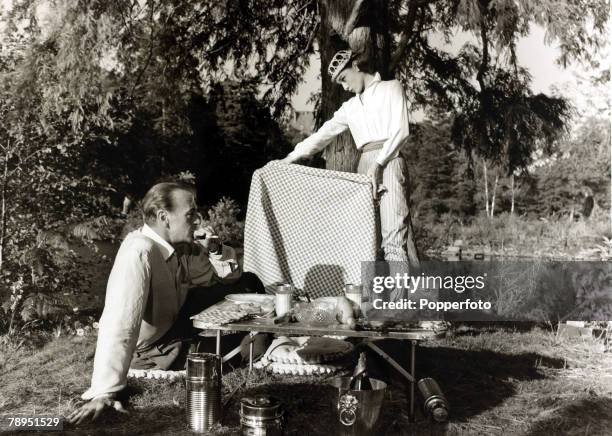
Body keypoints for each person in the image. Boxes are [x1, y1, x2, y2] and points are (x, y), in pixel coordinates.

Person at [67, 182, 262, 425]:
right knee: (250, 346)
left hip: (176, 323)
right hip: (153, 350)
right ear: (163, 217)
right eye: (190, 215)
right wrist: (104, 391)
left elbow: (228, 278)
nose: (197, 222)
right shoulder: (139, 251)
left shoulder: (177, 246)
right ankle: (265, 342)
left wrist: (214, 248)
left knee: (250, 281)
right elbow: (120, 320)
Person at [280, 50, 418, 299]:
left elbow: (402, 130)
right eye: (340, 83)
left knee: (394, 238)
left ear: (355, 65)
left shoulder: (391, 88)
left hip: (389, 160)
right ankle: (369, 303)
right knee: (365, 240)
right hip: (364, 166)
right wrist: (290, 158)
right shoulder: (350, 107)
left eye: (344, 78)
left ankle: (399, 305)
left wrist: (379, 163)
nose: (344, 86)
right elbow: (322, 134)